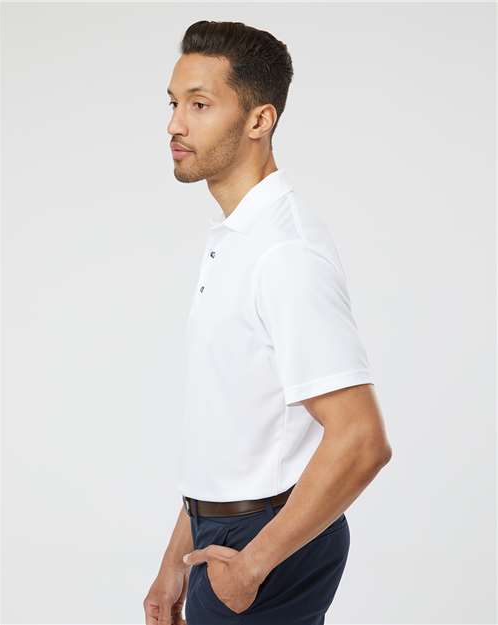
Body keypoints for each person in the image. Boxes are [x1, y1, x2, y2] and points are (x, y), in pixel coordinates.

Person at [143, 19, 392, 625]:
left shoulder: (284, 252)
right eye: (174, 104)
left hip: (265, 543)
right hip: (222, 533)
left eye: (200, 104)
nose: (175, 124)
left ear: (260, 120)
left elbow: (362, 440)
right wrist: (176, 560)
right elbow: (234, 431)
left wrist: (252, 566)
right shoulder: (235, 239)